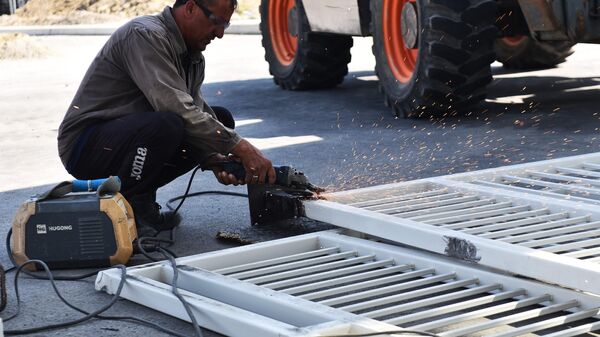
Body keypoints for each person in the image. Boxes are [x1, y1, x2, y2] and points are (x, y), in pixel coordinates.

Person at [57, 0, 275, 235]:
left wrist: (214, 158)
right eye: (216, 22)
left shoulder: (193, 56)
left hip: (131, 137)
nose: (220, 34)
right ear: (190, 8)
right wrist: (242, 147)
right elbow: (175, 108)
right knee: (168, 124)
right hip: (86, 145)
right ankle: (131, 208)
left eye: (226, 25)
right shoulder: (144, 35)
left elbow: (196, 111)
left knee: (220, 120)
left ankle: (140, 198)